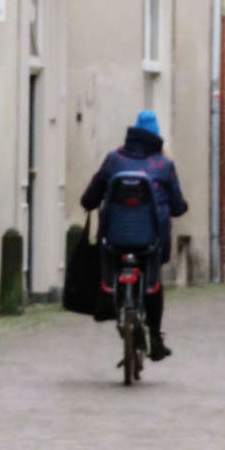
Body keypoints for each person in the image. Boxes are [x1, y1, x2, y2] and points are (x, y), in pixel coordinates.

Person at [80, 109, 187, 361]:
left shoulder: (114, 160)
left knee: (112, 266)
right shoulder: (164, 165)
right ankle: (156, 339)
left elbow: (90, 196)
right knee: (154, 283)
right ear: (157, 137)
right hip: (151, 241)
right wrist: (177, 207)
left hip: (115, 239)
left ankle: (115, 306)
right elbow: (178, 205)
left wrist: (89, 203)